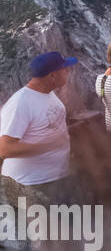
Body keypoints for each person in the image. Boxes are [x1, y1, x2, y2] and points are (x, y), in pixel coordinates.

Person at [0, 51, 77, 197]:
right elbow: (4, 149)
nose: (68, 71)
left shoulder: (48, 93)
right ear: (52, 75)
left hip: (57, 177)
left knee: (71, 218)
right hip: (32, 184)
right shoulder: (20, 103)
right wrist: (48, 146)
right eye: (64, 69)